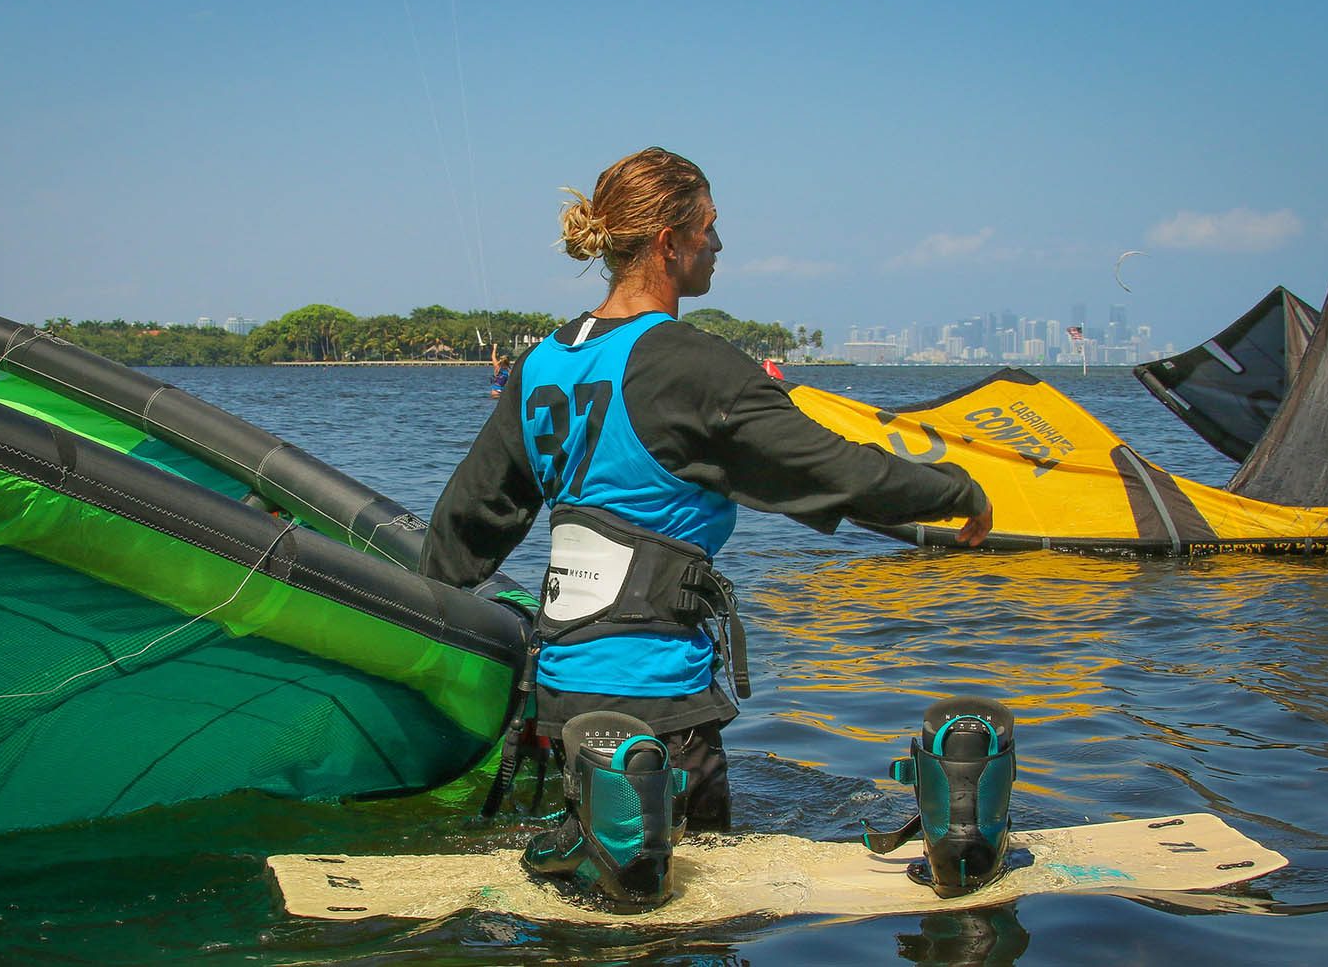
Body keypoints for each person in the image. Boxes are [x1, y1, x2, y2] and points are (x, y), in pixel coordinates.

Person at [420, 146, 992, 907]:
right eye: (711, 230)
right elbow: (835, 471)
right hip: (662, 712)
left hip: (559, 702)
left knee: (601, 907)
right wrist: (957, 489)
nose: (719, 246)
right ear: (668, 243)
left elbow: (466, 527)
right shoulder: (687, 364)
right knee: (696, 926)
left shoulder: (542, 365)